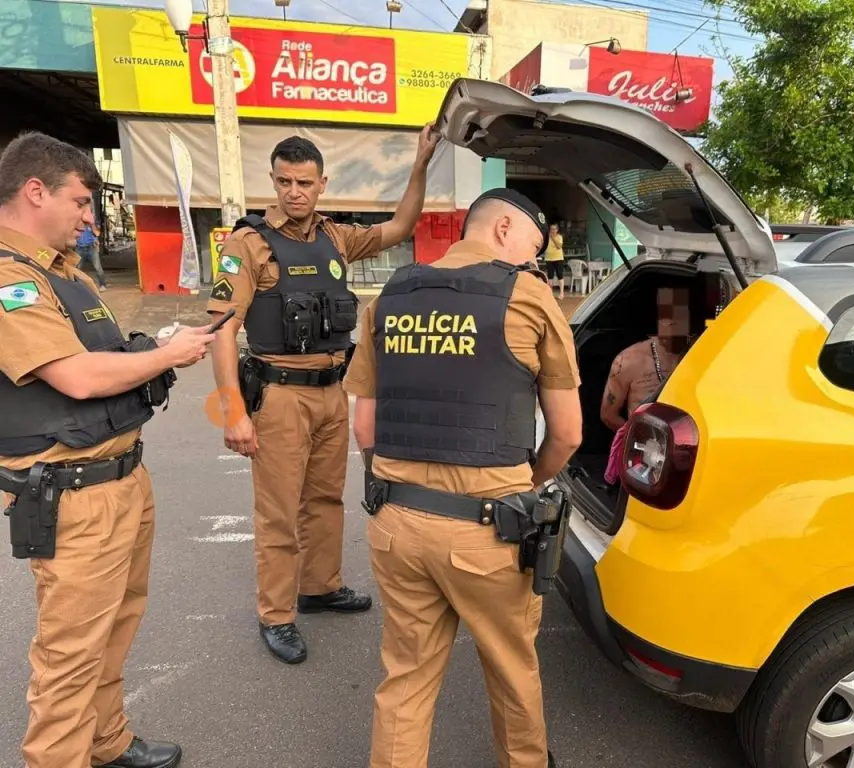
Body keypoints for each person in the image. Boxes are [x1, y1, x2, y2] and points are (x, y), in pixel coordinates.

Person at [344, 187, 583, 768]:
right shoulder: (528, 296)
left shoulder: (390, 294)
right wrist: (525, 486)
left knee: (405, 677)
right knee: (510, 668)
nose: (534, 257)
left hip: (397, 524)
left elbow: (365, 427)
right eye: (532, 242)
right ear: (503, 228)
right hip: (489, 531)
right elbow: (568, 435)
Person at [0, 131, 216, 768]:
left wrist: (158, 347)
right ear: (35, 191)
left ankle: (106, 741)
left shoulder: (64, 276)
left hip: (119, 476)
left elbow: (108, 358)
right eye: (81, 200)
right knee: (70, 656)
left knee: (116, 627)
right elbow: (74, 376)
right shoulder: (10, 281)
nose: (90, 216)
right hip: (72, 493)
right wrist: (170, 354)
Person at [207, 126, 440, 664]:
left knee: (325, 501)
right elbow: (221, 328)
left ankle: (319, 587)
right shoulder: (248, 243)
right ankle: (276, 614)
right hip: (280, 395)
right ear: (273, 180)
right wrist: (233, 411)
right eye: (285, 181)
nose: (295, 191)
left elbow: (402, 226)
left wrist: (421, 163)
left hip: (334, 392)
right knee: (278, 512)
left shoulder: (335, 238)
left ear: (321, 183)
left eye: (305, 182)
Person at [601, 286, 690, 484]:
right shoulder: (628, 361)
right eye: (667, 316)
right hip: (643, 460)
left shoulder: (702, 353)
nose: (674, 322)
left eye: (682, 315)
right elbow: (608, 415)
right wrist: (640, 441)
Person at [74, 221, 107, 291]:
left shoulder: (90, 224)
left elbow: (97, 233)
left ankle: (102, 285)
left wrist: (92, 225)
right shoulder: (75, 223)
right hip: (79, 248)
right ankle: (76, 286)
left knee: (97, 267)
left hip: (91, 247)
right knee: (77, 268)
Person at [542, 221, 565, 298]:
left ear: (557, 230)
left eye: (554, 229)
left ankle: (561, 293)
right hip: (549, 259)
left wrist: (553, 238)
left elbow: (559, 246)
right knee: (550, 276)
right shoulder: (546, 237)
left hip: (558, 258)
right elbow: (543, 246)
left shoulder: (559, 237)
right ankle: (550, 293)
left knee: (560, 275)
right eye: (551, 229)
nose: (553, 230)